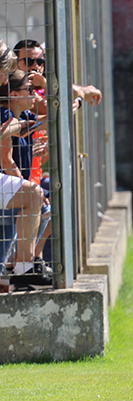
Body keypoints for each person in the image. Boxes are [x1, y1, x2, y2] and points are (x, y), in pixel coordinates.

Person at [0, 41, 51, 287]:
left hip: (8, 180)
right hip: (6, 177)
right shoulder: (7, 113)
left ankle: (24, 266)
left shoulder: (16, 114)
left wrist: (77, 100)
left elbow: (52, 114)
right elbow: (6, 159)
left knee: (38, 199)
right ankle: (22, 266)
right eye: (28, 90)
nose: (33, 95)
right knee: (34, 197)